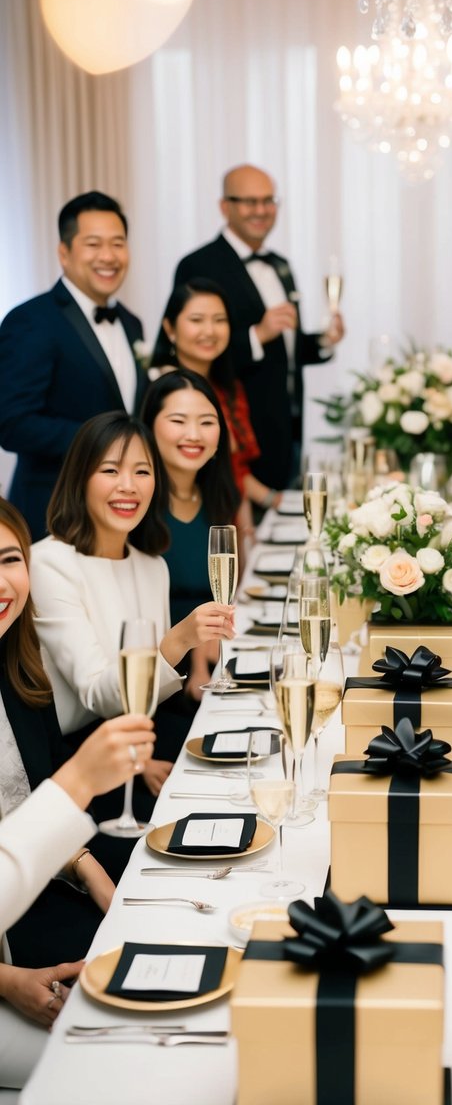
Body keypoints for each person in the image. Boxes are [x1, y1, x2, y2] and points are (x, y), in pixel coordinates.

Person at [0, 495, 155, 1089]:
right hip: (12, 957)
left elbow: (32, 795)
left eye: (11, 558)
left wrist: (88, 869)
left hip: (37, 897)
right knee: (129, 1058)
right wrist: (9, 982)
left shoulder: (14, 664)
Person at [29, 412, 234, 814]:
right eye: (110, 470)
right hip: (72, 766)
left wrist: (140, 762)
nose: (128, 486)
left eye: (142, 471)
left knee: (231, 767)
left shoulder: (151, 567)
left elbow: (142, 702)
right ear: (80, 478)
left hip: (133, 746)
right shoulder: (49, 564)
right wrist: (179, 640)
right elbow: (99, 695)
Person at [173, 164, 345, 490]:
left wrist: (324, 341)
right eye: (250, 202)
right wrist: (258, 334)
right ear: (225, 207)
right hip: (238, 435)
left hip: (289, 427)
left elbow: (286, 349)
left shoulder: (280, 265)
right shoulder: (199, 265)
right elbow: (192, 352)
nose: (261, 211)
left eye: (269, 201)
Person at [0, 192, 148, 540]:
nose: (108, 256)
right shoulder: (31, 320)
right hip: (56, 513)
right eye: (93, 244)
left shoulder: (131, 323)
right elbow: (12, 423)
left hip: (120, 520)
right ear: (64, 253)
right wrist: (104, 444)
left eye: (118, 244)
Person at [141, 370, 239, 701]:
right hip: (154, 677)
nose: (194, 434)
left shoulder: (217, 497)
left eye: (207, 422)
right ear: (150, 426)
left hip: (210, 664)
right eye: (179, 421)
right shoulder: (135, 505)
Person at [150, 278, 280, 521]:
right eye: (197, 320)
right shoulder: (162, 389)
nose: (209, 331)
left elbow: (235, 468)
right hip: (180, 516)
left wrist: (258, 512)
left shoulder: (228, 387)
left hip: (227, 513)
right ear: (170, 328)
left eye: (219, 320)